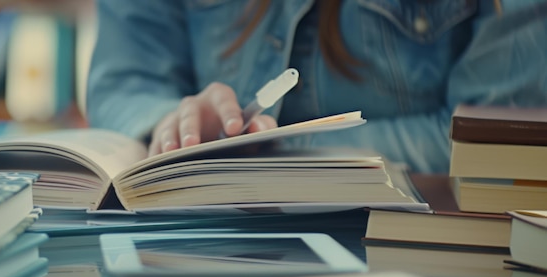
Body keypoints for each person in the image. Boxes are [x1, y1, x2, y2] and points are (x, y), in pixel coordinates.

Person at [87, 0, 547, 174]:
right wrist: (175, 121)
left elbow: (498, 139)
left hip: (406, 258)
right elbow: (125, 81)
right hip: (201, 245)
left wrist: (276, 152)